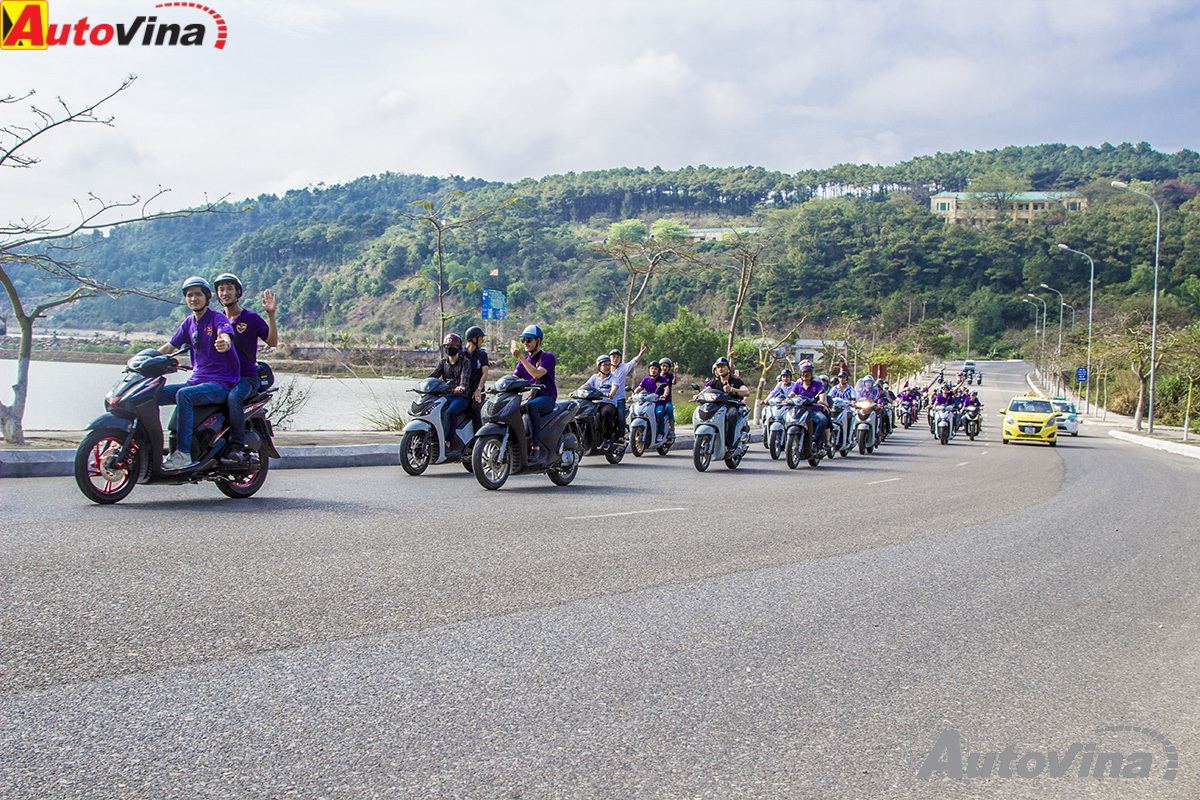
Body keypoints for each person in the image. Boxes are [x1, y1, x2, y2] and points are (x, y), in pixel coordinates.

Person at [157, 277, 239, 470]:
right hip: (196, 381)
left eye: (198, 294)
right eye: (189, 295)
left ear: (207, 297)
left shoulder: (217, 318)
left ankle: (183, 453)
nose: (194, 298)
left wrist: (224, 343)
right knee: (153, 393)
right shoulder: (188, 323)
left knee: (183, 395)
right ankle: (150, 446)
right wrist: (145, 358)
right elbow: (170, 345)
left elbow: (226, 334)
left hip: (221, 383)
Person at [213, 272, 278, 465]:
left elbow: (272, 342)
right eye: (221, 289)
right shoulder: (215, 319)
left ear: (238, 292)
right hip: (222, 377)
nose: (225, 293)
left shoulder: (251, 318)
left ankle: (237, 447)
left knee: (234, 398)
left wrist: (271, 315)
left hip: (246, 377)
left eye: (229, 289)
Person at [511, 325, 557, 462]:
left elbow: (536, 373)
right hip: (528, 397)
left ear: (538, 341)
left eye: (529, 340)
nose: (525, 343)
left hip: (546, 397)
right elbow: (514, 378)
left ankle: (535, 447)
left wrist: (521, 358)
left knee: (532, 406)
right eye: (524, 340)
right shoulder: (523, 362)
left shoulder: (548, 358)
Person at [430, 333, 473, 432]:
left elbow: (464, 379)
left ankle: (449, 440)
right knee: (432, 410)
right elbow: (434, 375)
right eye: (447, 346)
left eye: (452, 346)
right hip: (445, 395)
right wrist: (423, 384)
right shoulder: (443, 362)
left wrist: (461, 387)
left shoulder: (465, 362)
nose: (449, 348)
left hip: (460, 397)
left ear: (458, 347)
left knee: (451, 412)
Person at [788, 360, 831, 453]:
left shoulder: (818, 383)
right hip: (801, 410)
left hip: (814, 410)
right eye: (803, 372)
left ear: (812, 373)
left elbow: (822, 393)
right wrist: (786, 399)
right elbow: (792, 393)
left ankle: (815, 442)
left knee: (823, 419)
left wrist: (821, 401)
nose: (805, 374)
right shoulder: (798, 383)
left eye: (808, 372)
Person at [706, 357, 749, 447]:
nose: (720, 369)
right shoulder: (715, 382)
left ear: (728, 368)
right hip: (718, 406)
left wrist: (732, 389)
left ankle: (728, 444)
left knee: (732, 415)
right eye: (718, 367)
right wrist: (697, 396)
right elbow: (706, 390)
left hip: (731, 406)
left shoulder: (736, 381)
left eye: (723, 366)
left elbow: (746, 392)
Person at [609, 343, 647, 438]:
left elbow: (633, 362)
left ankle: (621, 435)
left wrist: (641, 353)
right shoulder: (605, 369)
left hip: (619, 398)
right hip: (607, 399)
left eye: (618, 357)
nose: (615, 359)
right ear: (609, 358)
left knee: (621, 414)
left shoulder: (623, 368)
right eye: (613, 357)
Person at [584, 354, 620, 446]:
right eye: (605, 365)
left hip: (608, 403)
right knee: (584, 413)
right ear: (599, 366)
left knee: (607, 412)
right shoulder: (594, 377)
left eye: (609, 365)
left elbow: (615, 386)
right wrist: (575, 392)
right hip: (595, 403)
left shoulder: (613, 378)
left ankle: (606, 439)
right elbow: (586, 385)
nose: (608, 367)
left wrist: (611, 393)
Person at [463, 325, 490, 429]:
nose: (482, 341)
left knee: (475, 408)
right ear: (474, 339)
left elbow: (485, 373)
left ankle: (477, 438)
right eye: (481, 338)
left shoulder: (482, 355)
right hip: (464, 389)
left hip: (477, 390)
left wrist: (479, 389)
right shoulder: (461, 354)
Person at [638, 361, 669, 439]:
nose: (653, 370)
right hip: (648, 403)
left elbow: (666, 388)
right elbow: (639, 388)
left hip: (659, 402)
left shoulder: (662, 379)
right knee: (639, 413)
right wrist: (633, 394)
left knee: (659, 413)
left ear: (658, 370)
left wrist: (664, 395)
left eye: (655, 369)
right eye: (652, 368)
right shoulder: (646, 379)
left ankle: (660, 433)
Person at [658, 357, 676, 435]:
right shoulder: (656, 376)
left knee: (670, 410)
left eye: (667, 366)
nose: (664, 368)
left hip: (667, 400)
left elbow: (674, 382)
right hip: (656, 400)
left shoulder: (669, 376)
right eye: (663, 366)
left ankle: (672, 429)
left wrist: (676, 373)